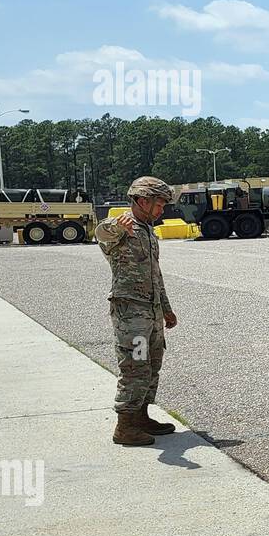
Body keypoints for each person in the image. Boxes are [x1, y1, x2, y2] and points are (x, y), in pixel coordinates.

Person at [96, 176, 178, 445]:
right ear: (143, 201)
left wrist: (166, 309)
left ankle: (141, 416)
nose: (161, 209)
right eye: (159, 204)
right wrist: (115, 225)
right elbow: (102, 233)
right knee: (135, 367)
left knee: (152, 366)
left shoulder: (147, 232)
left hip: (151, 314)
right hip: (131, 315)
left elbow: (156, 274)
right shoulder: (123, 227)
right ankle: (125, 426)